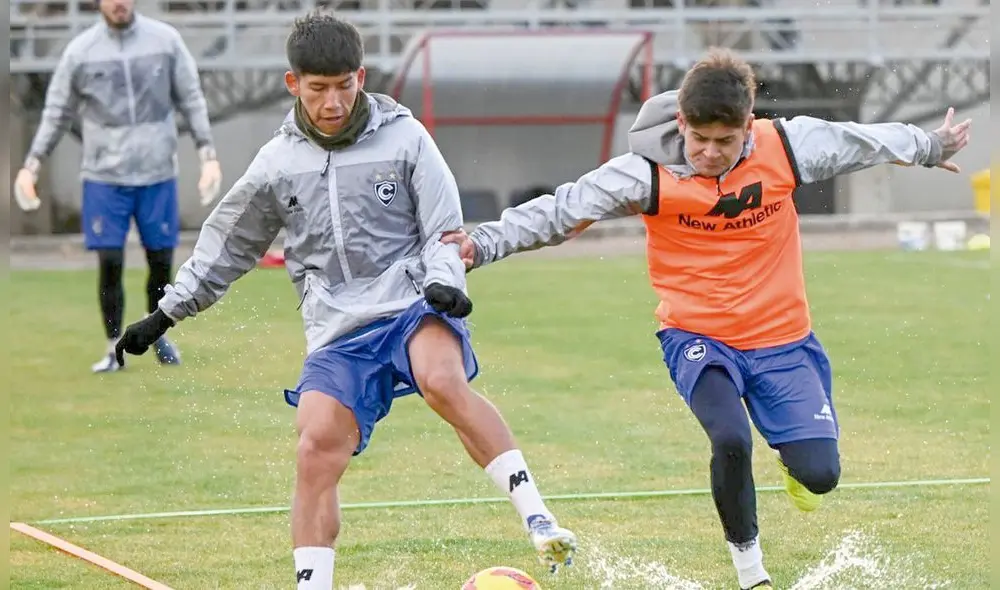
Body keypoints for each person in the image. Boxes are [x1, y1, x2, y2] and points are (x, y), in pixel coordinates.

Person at [445, 48, 970, 590]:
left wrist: (930, 145)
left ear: (750, 125)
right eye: (700, 140)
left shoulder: (788, 145)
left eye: (726, 141)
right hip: (696, 336)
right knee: (731, 438)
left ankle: (795, 464)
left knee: (821, 476)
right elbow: (560, 210)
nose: (711, 154)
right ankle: (753, 576)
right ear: (681, 123)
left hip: (783, 339)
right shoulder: (645, 173)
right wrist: (480, 244)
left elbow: (863, 142)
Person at [113, 13, 577, 590]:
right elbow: (226, 246)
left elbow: (444, 229)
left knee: (442, 380)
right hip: (336, 326)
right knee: (314, 448)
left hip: (414, 301)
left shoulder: (407, 138)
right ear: (294, 84)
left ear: (361, 77)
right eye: (318, 88)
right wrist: (166, 313)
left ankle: (537, 516)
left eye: (344, 85)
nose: (333, 101)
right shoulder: (276, 164)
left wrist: (447, 282)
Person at [12, 0, 223, 373]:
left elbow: (190, 97)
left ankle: (156, 333)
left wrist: (207, 153)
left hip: (157, 172)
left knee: (161, 262)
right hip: (104, 176)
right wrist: (31, 165)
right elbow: (57, 111)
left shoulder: (166, 41)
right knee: (110, 261)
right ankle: (113, 348)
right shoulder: (80, 52)